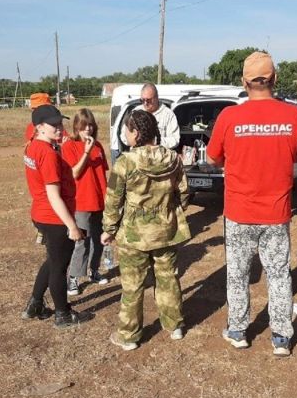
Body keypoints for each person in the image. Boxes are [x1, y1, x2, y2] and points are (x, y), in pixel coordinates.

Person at [206, 51, 297, 357]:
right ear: (274, 79)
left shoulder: (229, 117)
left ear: (244, 82)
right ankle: (281, 337)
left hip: (239, 213)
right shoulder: (292, 115)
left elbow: (212, 158)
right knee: (279, 275)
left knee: (237, 275)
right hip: (276, 213)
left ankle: (238, 330)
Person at [102, 110, 191, 351]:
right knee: (168, 279)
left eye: (127, 130)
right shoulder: (173, 159)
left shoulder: (124, 162)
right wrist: (169, 211)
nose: (125, 134)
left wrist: (109, 228)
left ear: (136, 133)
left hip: (134, 235)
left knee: (132, 285)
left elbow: (113, 199)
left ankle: (129, 336)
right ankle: (174, 326)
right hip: (166, 231)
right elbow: (184, 192)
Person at [21, 104, 89, 329]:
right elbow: (53, 194)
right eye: (53, 125)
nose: (60, 128)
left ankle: (35, 304)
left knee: (52, 260)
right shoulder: (47, 153)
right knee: (59, 267)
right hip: (54, 218)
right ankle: (63, 314)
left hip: (41, 214)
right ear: (39, 127)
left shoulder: (33, 146)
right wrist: (72, 226)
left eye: (60, 123)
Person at [61, 108, 110, 297]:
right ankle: (73, 277)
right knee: (82, 242)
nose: (88, 129)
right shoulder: (69, 146)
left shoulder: (98, 146)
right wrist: (86, 152)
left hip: (100, 200)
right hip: (81, 202)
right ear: (76, 127)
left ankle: (94, 270)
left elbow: (103, 173)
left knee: (100, 240)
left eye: (90, 125)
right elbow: (74, 173)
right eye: (83, 126)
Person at [113, 83, 180, 163]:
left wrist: (154, 142)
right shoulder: (135, 112)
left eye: (148, 100)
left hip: (159, 161)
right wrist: (138, 141)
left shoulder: (168, 114)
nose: (145, 103)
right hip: (137, 160)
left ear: (156, 98)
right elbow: (124, 136)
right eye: (142, 100)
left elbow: (174, 140)